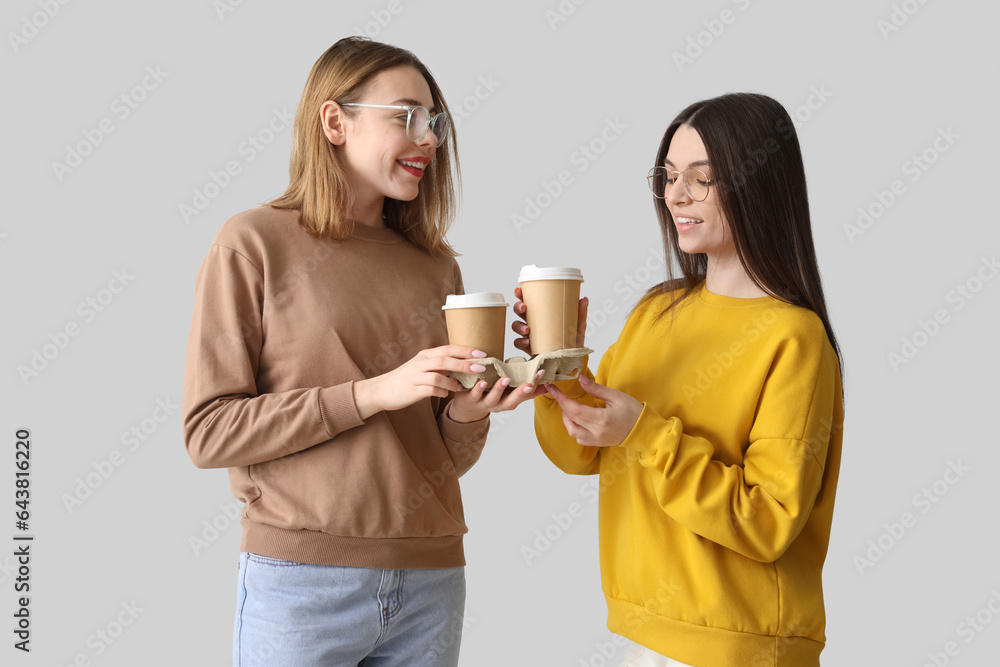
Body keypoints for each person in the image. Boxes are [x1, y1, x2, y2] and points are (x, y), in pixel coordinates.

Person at [182, 36, 538, 667]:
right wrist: (373, 392)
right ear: (334, 121)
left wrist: (471, 412)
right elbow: (209, 433)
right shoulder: (253, 243)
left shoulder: (436, 268)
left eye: (434, 122)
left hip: (431, 581)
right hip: (300, 582)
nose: (428, 137)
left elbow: (438, 459)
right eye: (406, 116)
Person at [513, 92, 844, 667]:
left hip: (737, 648)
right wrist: (559, 368)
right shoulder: (657, 311)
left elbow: (767, 522)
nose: (676, 195)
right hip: (639, 632)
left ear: (757, 184)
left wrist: (643, 433)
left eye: (702, 178)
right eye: (667, 176)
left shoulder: (794, 338)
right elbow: (581, 453)